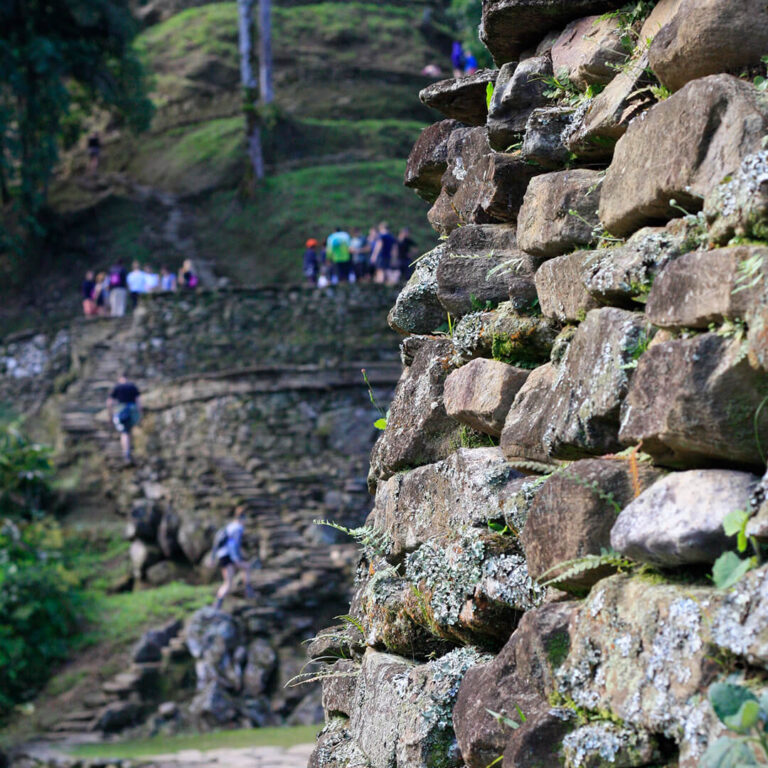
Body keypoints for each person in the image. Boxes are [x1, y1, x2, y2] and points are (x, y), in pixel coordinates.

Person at [213, 506, 254, 609]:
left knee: (229, 581)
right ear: (243, 518)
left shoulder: (230, 526)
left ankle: (218, 603)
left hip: (222, 555)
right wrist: (236, 558)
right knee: (245, 568)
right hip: (228, 556)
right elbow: (232, 544)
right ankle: (248, 591)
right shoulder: (238, 528)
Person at [106, 373, 141, 464]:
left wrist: (110, 415)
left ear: (119, 378)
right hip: (132, 411)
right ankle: (130, 449)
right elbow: (138, 402)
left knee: (124, 433)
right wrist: (140, 413)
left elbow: (109, 403)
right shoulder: (132, 387)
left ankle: (126, 453)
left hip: (121, 412)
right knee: (129, 431)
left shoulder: (117, 387)